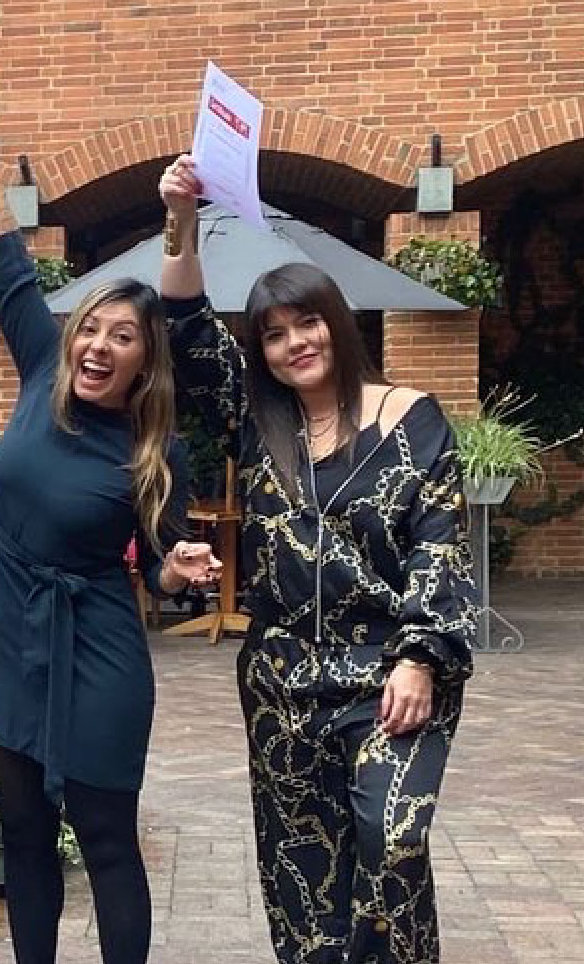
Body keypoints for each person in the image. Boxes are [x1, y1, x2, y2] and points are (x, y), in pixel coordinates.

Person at [158, 156, 475, 964]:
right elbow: (190, 327)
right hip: (282, 681)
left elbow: (440, 543)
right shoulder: (261, 427)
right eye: (273, 332)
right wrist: (180, 220)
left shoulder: (413, 419)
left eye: (307, 322)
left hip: (389, 677)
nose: (294, 342)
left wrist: (419, 658)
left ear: (336, 320)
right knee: (304, 874)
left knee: (392, 840)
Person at [0, 100, 217, 964]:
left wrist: (179, 569)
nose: (99, 344)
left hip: (99, 653)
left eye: (123, 335)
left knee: (106, 842)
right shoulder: (38, 370)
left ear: (145, 358)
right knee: (24, 839)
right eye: (92, 327)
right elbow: (2, 254)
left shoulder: (152, 449)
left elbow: (165, 572)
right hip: (7, 650)